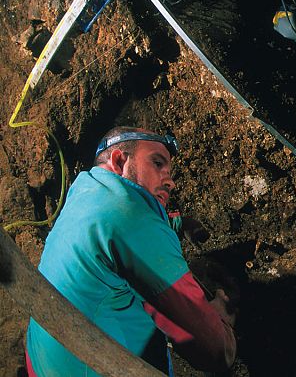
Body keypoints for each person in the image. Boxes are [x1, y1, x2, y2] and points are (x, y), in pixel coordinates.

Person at [26, 128, 236, 376]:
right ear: (119, 161)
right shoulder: (133, 221)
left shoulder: (85, 192)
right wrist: (220, 317)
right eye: (157, 163)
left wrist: (179, 223)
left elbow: (124, 224)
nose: (170, 181)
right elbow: (216, 351)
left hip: (44, 364)